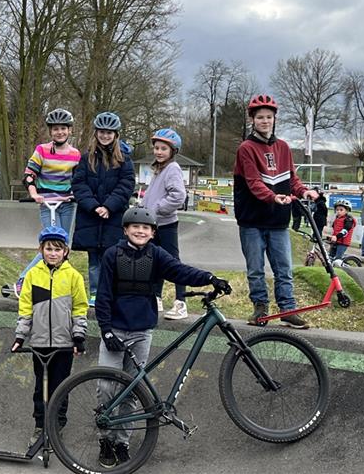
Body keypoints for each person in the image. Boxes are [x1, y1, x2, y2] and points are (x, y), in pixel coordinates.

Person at [95, 206, 231, 467]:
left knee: (132, 390)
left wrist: (210, 278)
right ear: (125, 230)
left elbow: (180, 271)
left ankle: (122, 442)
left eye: (145, 228)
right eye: (135, 227)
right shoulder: (113, 255)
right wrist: (106, 329)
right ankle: (105, 440)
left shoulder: (156, 255)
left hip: (141, 332)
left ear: (153, 233)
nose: (140, 231)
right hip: (115, 330)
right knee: (105, 386)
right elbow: (102, 296)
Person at [233, 94, 318, 329]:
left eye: (269, 117)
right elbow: (253, 182)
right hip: (252, 220)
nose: (265, 121)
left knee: (284, 269)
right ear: (253, 120)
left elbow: (292, 179)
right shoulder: (246, 148)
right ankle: (260, 308)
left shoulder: (283, 148)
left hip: (278, 221)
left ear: (274, 119)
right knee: (256, 269)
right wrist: (273, 197)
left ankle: (288, 310)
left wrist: (304, 191)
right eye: (260, 117)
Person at [12, 226, 88, 448]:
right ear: (41, 250)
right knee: (41, 388)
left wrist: (78, 336)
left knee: (60, 387)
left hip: (64, 345)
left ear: (65, 251)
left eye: (57, 249)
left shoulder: (73, 276)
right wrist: (20, 336)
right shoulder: (33, 275)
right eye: (48, 249)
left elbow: (80, 308)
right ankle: (40, 426)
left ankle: (56, 426)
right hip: (40, 343)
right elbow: (25, 309)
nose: (53, 253)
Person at [71, 112, 135, 307]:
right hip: (91, 217)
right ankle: (94, 292)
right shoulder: (86, 159)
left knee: (113, 257)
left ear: (115, 135)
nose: (105, 136)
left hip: (113, 217)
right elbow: (79, 184)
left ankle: (111, 293)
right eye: (102, 132)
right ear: (96, 133)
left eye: (109, 132)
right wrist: (94, 206)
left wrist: (108, 206)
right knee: (94, 259)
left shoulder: (124, 160)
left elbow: (126, 185)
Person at [141, 128, 188, 320]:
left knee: (173, 262)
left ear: (172, 151)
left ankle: (181, 302)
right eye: (156, 148)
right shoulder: (159, 169)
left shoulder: (172, 169)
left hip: (166, 223)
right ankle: (156, 297)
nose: (159, 152)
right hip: (154, 224)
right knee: (155, 260)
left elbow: (178, 196)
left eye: (163, 149)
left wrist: (157, 208)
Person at [23, 108, 81, 233]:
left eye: (63, 128)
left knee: (64, 240)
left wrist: (76, 195)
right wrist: (34, 194)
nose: (60, 132)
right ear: (51, 131)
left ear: (69, 130)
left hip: (67, 204)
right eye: (55, 129)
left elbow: (78, 180)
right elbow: (29, 175)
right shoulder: (42, 150)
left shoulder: (75, 154)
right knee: (52, 237)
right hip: (47, 203)